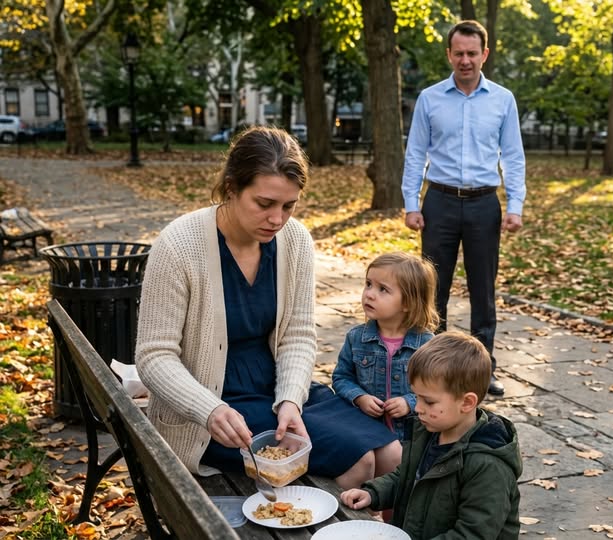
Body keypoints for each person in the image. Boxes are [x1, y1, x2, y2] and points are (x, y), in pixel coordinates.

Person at [135, 126, 400, 488]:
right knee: (362, 460)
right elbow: (154, 356)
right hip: (212, 406)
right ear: (231, 188)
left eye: (289, 206)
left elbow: (298, 336)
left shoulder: (295, 241)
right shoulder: (179, 245)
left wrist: (290, 399)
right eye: (264, 204)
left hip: (278, 387)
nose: (277, 219)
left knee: (392, 454)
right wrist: (209, 410)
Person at [401, 19, 526, 397]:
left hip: (484, 204)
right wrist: (411, 204)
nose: (465, 60)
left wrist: (515, 205)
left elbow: (513, 156)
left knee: (483, 290)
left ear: (484, 54)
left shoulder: (502, 100)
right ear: (449, 54)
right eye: (459, 53)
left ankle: (481, 371)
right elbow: (415, 154)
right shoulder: (430, 99)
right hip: (438, 202)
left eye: (472, 53)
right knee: (432, 288)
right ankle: (433, 368)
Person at [340, 331, 522, 539]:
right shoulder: (429, 431)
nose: (417, 408)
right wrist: (373, 493)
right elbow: (405, 477)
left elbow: (472, 534)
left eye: (429, 401)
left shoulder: (488, 466)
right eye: (416, 397)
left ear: (466, 402)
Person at [332, 252, 439, 440]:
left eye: (383, 289)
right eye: (368, 284)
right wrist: (359, 397)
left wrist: (409, 402)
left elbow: (438, 390)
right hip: (366, 430)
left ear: (408, 303)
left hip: (411, 437)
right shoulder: (356, 338)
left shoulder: (426, 344)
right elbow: (342, 377)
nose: (369, 294)